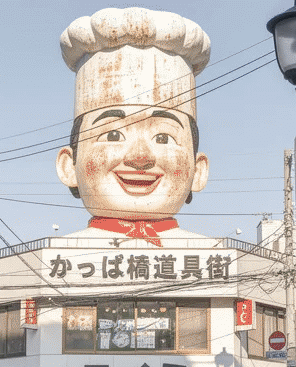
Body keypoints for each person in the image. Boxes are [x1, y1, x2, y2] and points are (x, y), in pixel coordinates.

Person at [55, 8, 213, 246]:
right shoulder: (63, 252)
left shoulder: (206, 253)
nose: (140, 157)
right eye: (113, 135)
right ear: (69, 165)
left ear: (198, 170)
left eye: (163, 137)